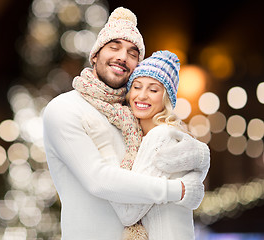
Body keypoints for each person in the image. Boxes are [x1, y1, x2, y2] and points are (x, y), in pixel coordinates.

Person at [43, 7, 207, 240]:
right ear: (96, 54)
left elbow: (166, 156)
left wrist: (197, 162)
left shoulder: (133, 114)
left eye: (132, 53)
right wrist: (179, 190)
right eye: (114, 46)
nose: (122, 56)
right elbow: (98, 180)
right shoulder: (65, 109)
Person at [79, 50, 210, 239]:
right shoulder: (160, 136)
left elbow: (128, 213)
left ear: (166, 98)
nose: (142, 96)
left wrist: (105, 149)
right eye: (137, 87)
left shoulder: (160, 136)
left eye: (153, 90)